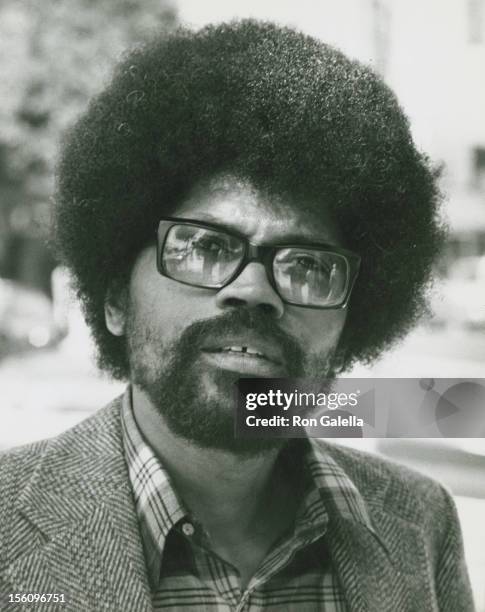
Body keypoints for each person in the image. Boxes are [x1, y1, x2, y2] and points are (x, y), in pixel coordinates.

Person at [0, 20, 474, 612]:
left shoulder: (423, 524)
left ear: (350, 320)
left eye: (306, 266)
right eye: (202, 247)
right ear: (116, 298)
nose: (254, 290)